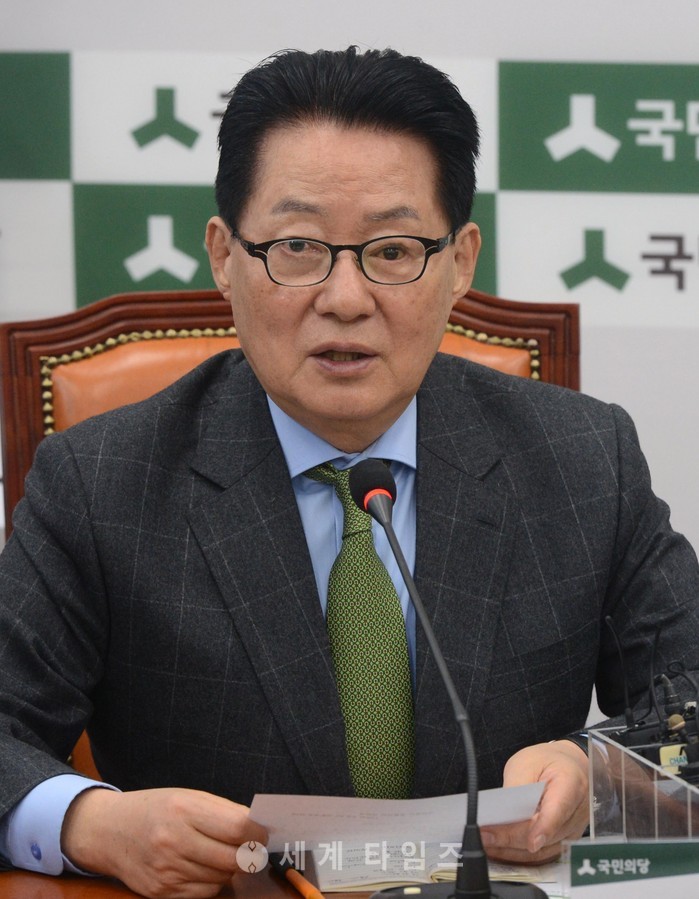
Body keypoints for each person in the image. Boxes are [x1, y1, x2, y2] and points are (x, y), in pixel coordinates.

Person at [1, 46, 698, 899]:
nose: (343, 297)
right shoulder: (101, 480)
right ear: (223, 255)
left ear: (459, 261)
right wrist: (90, 822)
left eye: (392, 250)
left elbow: (690, 700)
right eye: (296, 247)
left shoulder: (583, 458)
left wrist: (594, 770)